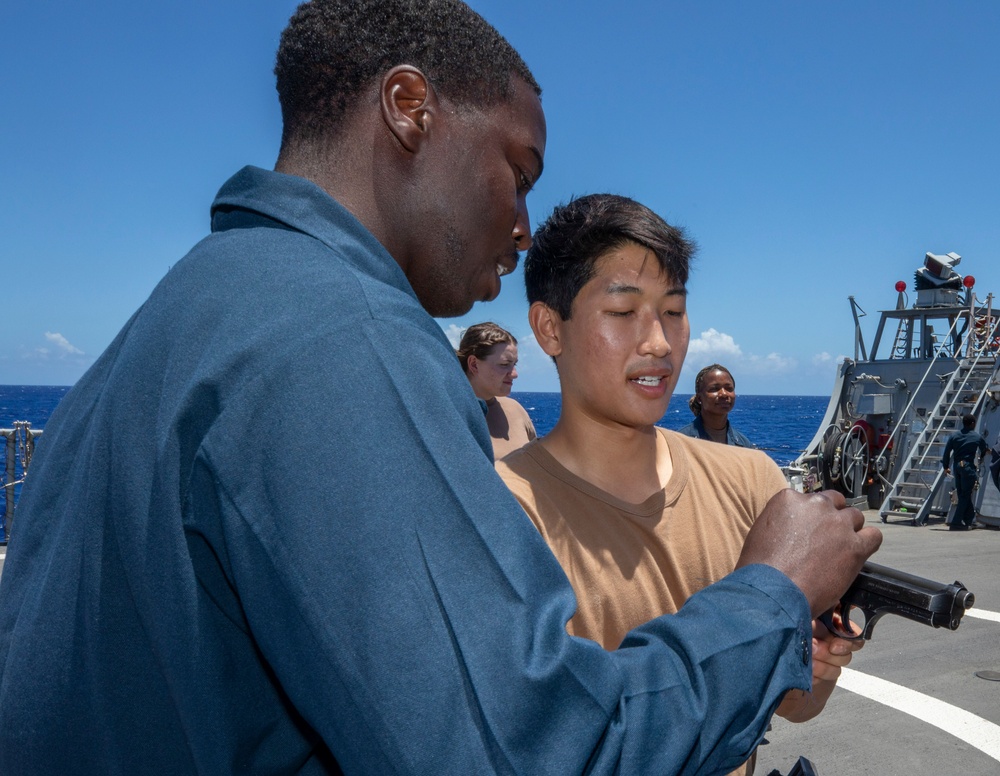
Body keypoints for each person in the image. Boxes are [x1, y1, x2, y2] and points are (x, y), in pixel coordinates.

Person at [0, 2, 881, 774]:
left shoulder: (176, 323)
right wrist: (773, 590)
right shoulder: (344, 338)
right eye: (519, 171)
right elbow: (531, 753)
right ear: (409, 108)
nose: (523, 225)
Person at [498, 194, 861, 775]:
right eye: (623, 312)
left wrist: (815, 664)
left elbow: (796, 706)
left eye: (673, 311)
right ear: (549, 327)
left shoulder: (753, 482)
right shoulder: (502, 513)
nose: (660, 344)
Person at [457, 322, 537, 459]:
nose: (514, 374)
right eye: (505, 365)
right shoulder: (450, 414)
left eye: (514, 364)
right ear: (474, 365)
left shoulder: (516, 410)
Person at [678, 363, 755, 447]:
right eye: (714, 389)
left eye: (729, 388)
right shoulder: (682, 441)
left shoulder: (743, 444)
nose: (724, 394)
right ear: (699, 398)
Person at [942, 413, 989, 530]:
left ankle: (969, 520)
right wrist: (983, 455)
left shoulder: (954, 436)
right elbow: (984, 449)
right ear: (973, 424)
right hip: (967, 467)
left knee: (964, 494)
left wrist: (945, 466)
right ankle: (956, 522)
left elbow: (947, 452)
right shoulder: (977, 436)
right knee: (965, 495)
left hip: (957, 467)